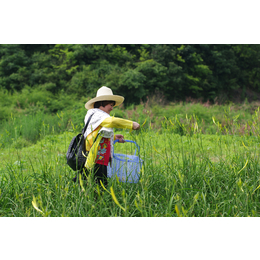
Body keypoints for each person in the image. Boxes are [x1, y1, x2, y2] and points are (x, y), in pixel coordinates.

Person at [73, 86, 140, 187]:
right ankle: (95, 198)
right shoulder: (95, 114)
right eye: (111, 104)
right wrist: (131, 124)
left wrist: (114, 137)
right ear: (102, 102)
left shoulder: (99, 115)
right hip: (96, 154)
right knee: (99, 182)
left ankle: (87, 194)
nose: (112, 108)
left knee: (89, 178)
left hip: (100, 154)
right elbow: (111, 121)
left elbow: (99, 133)